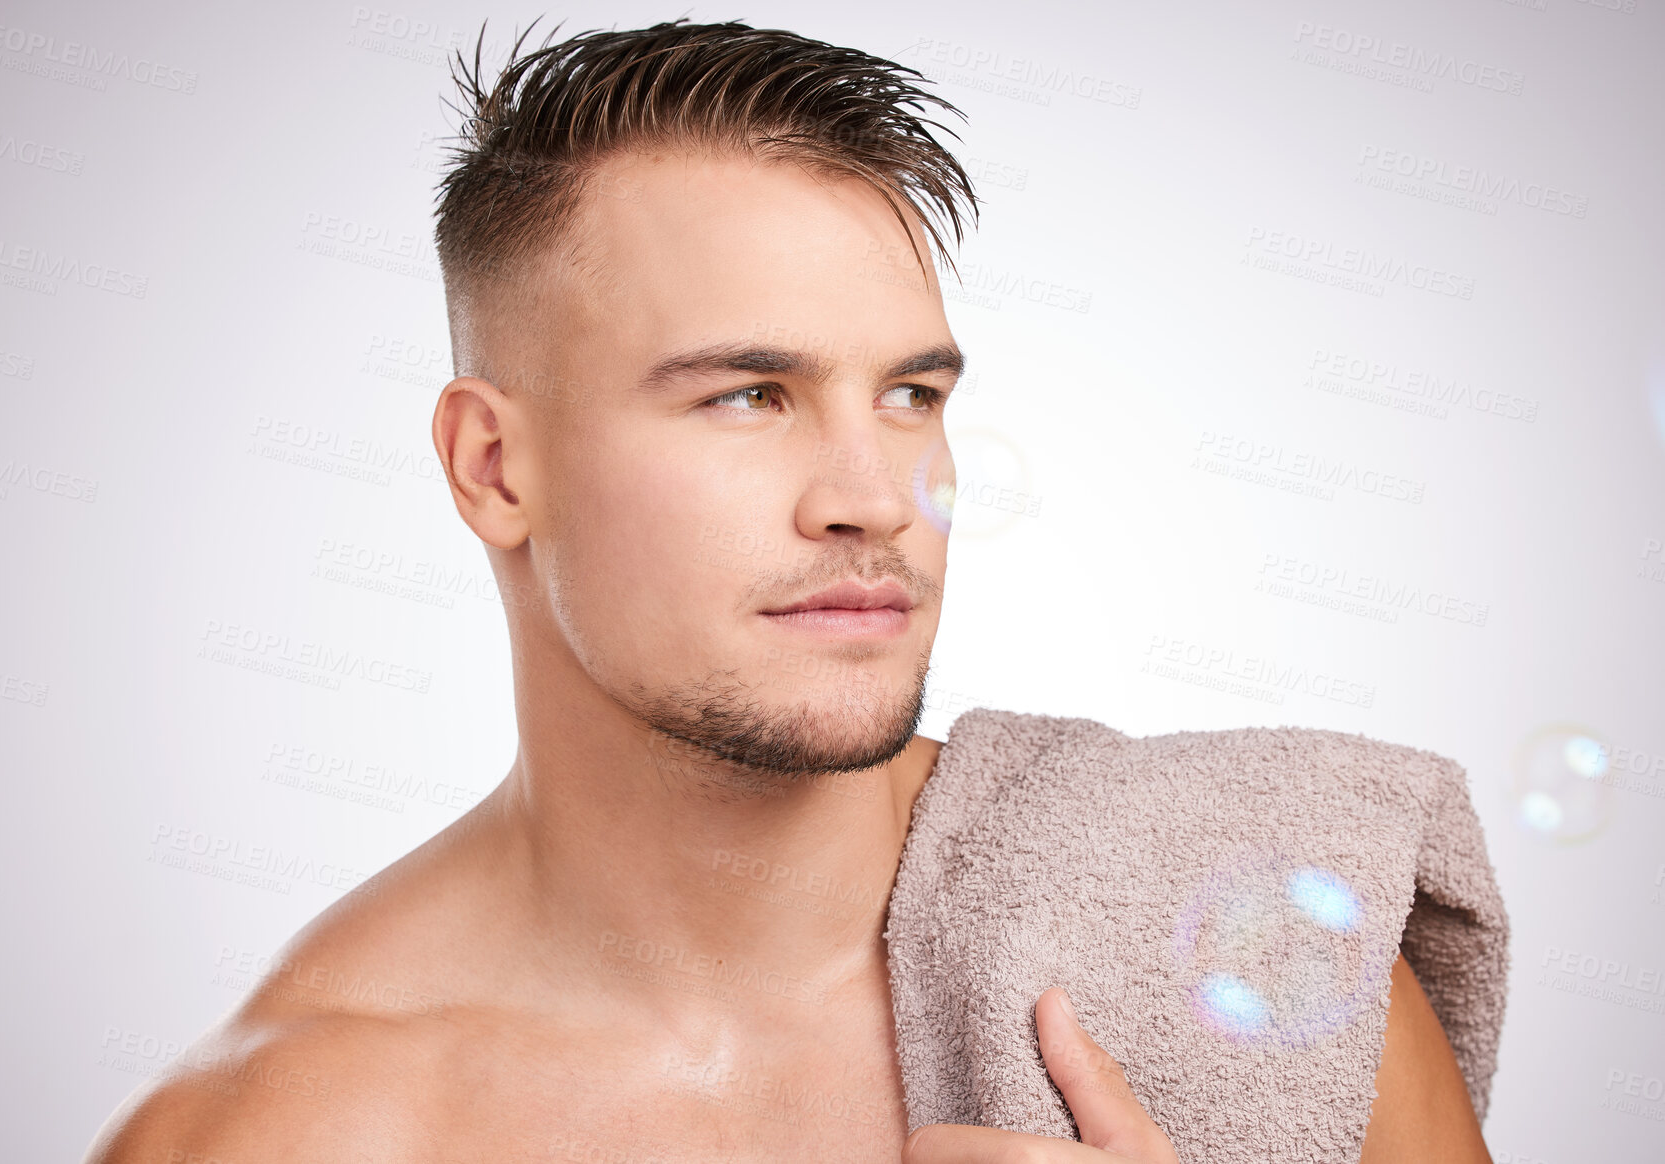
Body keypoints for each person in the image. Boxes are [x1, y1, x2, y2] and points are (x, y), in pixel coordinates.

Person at [85, 18, 1496, 1162]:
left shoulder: (1251, 938)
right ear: (494, 466)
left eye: (907, 394)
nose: (875, 496)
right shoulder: (283, 1133)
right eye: (751, 395)